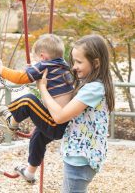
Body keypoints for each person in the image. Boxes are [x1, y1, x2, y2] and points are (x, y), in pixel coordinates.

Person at [36, 34, 115, 192]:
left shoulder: (93, 89)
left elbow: (59, 116)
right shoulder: (90, 84)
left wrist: (42, 88)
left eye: (79, 62)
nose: (74, 67)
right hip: (79, 157)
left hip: (80, 160)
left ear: (96, 63)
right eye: (73, 61)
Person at [0, 33, 74, 183]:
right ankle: (29, 172)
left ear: (43, 57)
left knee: (29, 101)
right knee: (37, 137)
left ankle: (12, 121)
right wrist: (34, 69)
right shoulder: (63, 67)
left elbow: (19, 78)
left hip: (54, 121)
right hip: (62, 125)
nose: (36, 62)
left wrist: (0, 68)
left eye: (36, 59)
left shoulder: (44, 66)